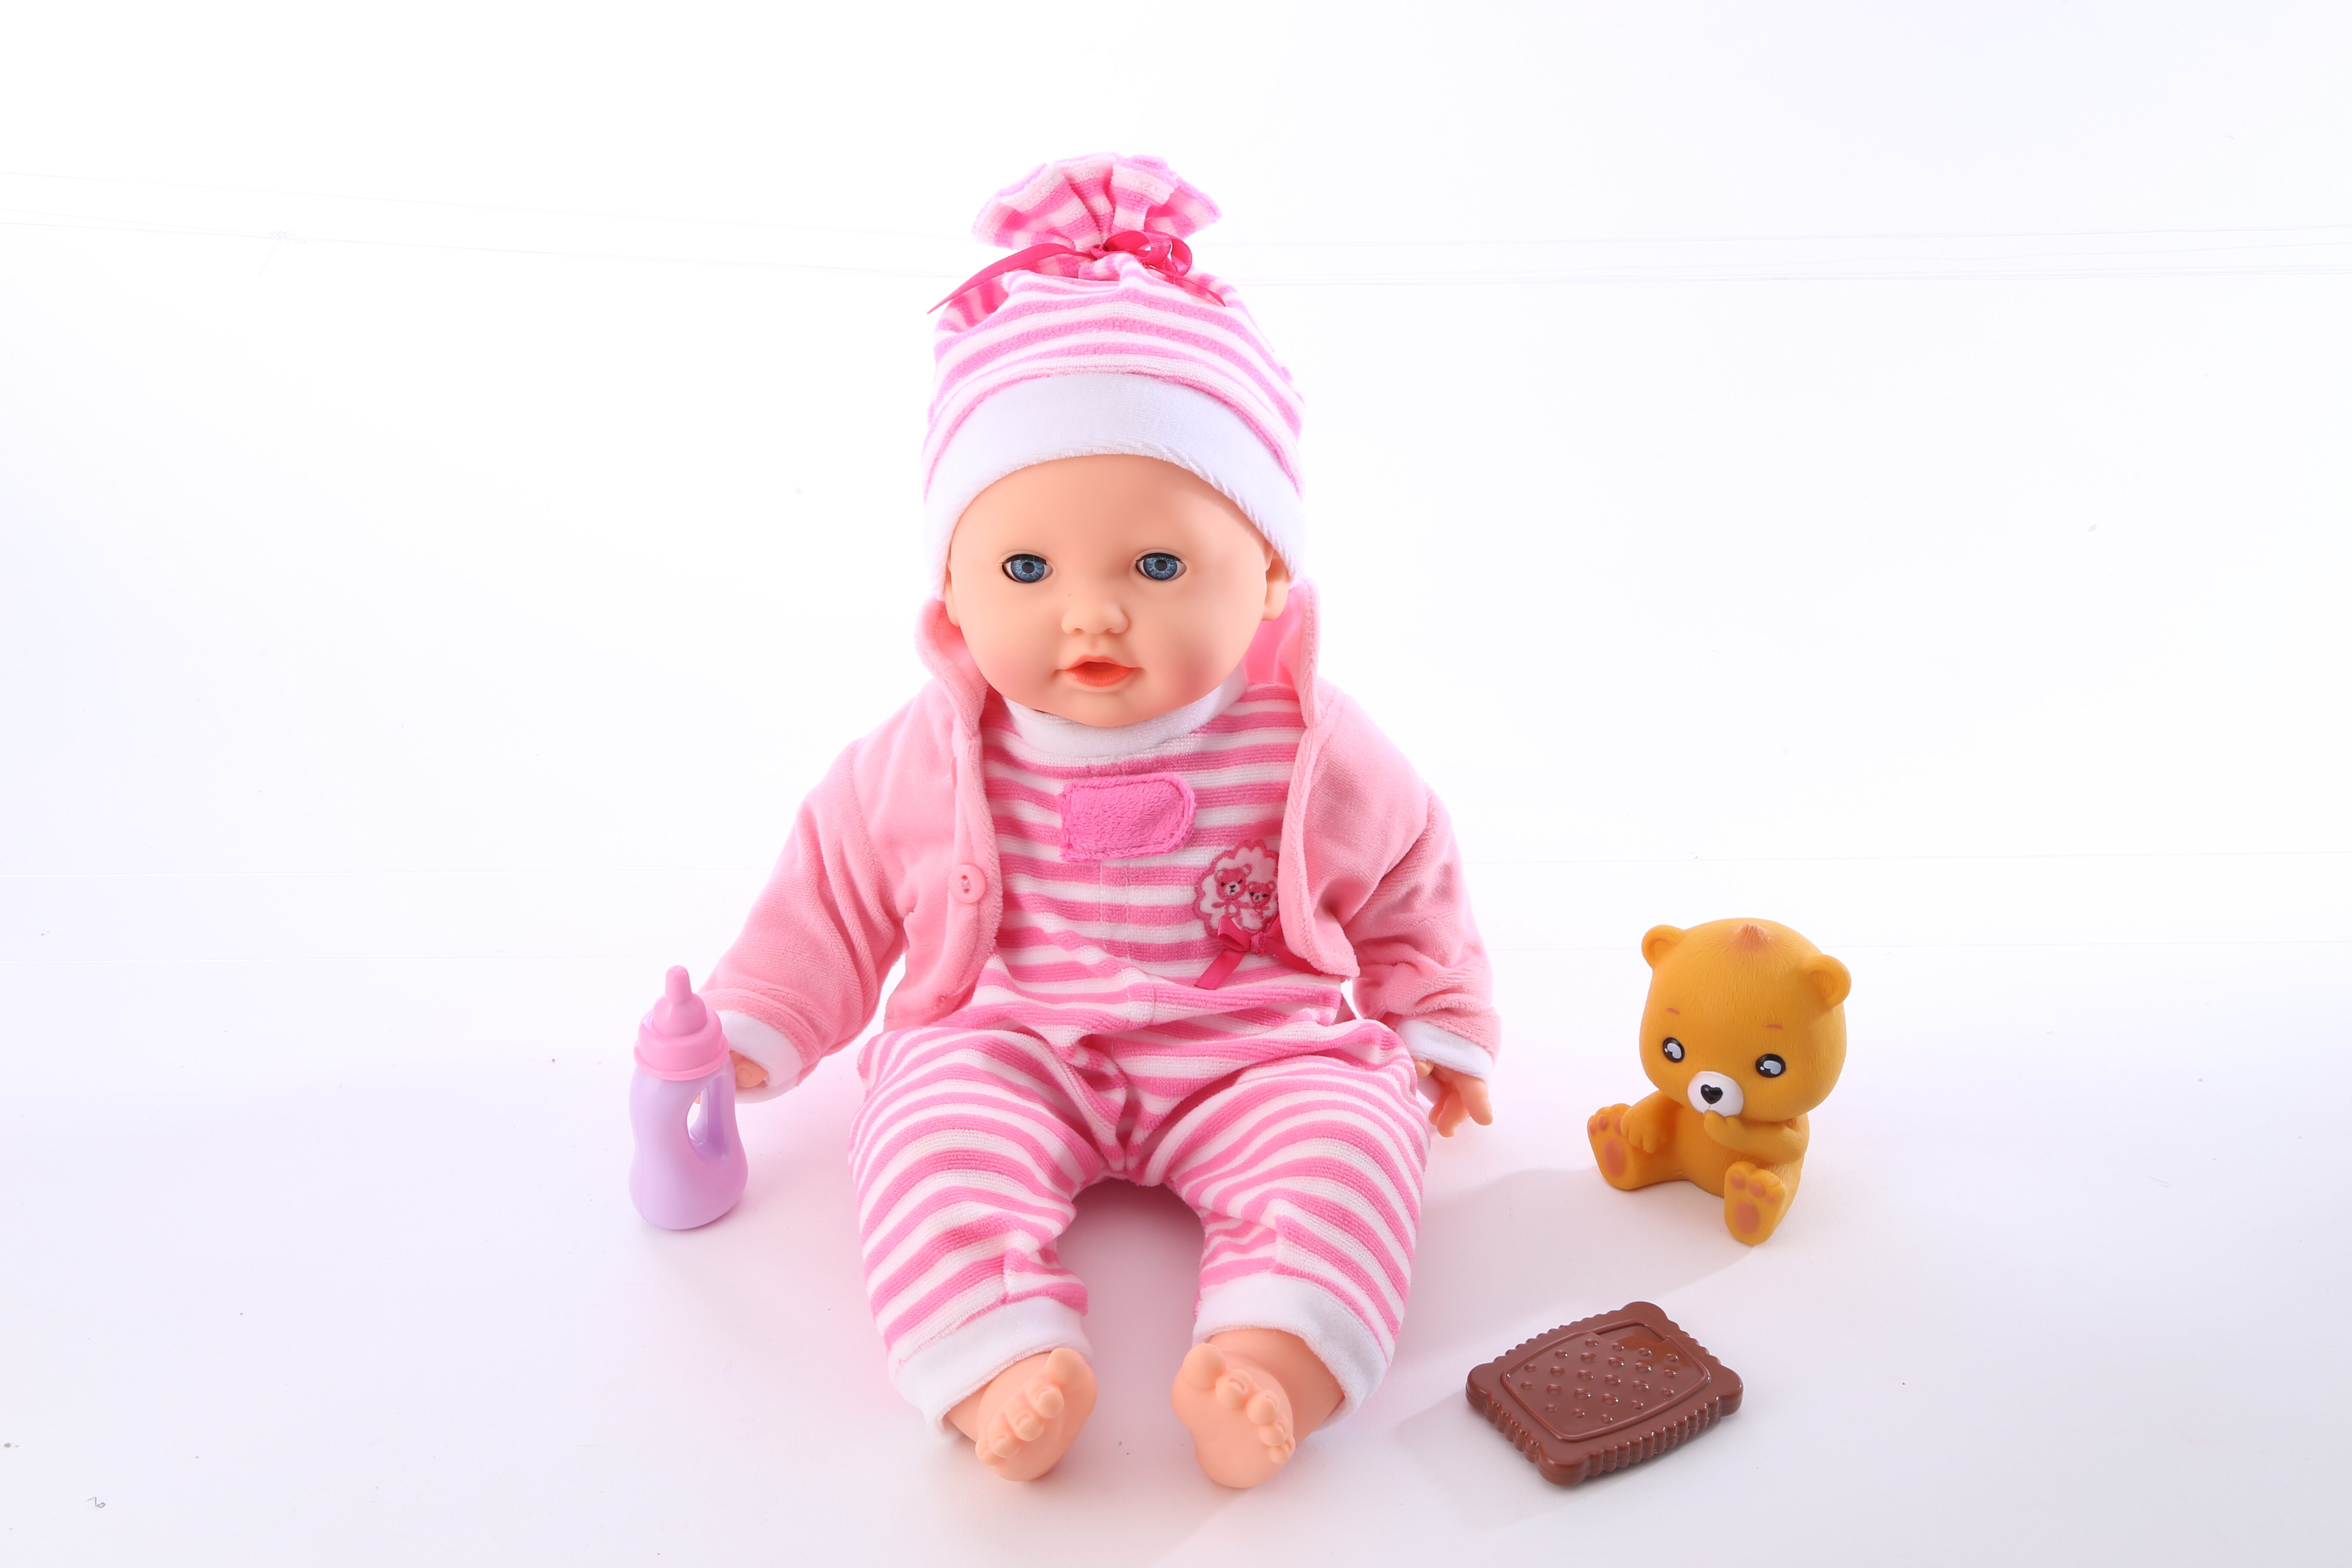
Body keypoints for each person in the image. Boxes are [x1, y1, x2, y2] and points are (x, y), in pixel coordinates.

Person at [701, 154, 1499, 1487]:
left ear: (1268, 575)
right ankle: (998, 1356)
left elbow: (1412, 869)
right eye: (1026, 566)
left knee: (1352, 1133)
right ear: (952, 588)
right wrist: (756, 1019)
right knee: (924, 1132)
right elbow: (833, 889)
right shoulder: (940, 749)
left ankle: (1272, 1357)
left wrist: (1434, 1015)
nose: (1092, 611)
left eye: (1160, 563)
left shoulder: (1307, 740)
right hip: (1009, 1037)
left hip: (1256, 1045)